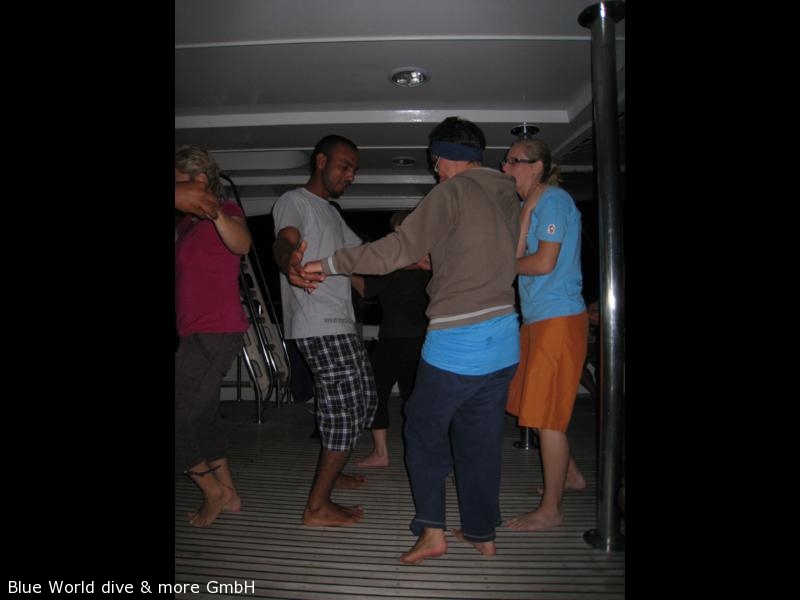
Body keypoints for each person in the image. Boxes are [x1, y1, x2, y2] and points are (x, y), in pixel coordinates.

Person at [303, 117, 520, 564]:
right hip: (504, 335)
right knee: (479, 437)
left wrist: (328, 263)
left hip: (459, 335)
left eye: (434, 162)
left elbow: (394, 251)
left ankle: (432, 531)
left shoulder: (450, 191)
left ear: (441, 157)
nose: (435, 171)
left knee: (422, 428)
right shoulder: (507, 194)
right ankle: (482, 532)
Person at [271, 134, 378, 527]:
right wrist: (289, 263)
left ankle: (335, 472)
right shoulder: (294, 201)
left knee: (364, 402)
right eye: (344, 166)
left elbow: (360, 258)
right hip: (318, 322)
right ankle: (316, 507)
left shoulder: (331, 213)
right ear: (320, 161)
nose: (351, 176)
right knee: (345, 411)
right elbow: (285, 240)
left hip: (340, 323)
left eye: (354, 170)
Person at [502, 138, 588, 532]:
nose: (505, 168)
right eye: (505, 161)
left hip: (558, 318)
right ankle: (571, 475)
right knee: (535, 408)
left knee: (547, 417)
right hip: (537, 319)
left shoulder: (554, 200)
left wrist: (503, 266)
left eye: (514, 161)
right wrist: (524, 213)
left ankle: (552, 510)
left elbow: (541, 263)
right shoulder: (533, 205)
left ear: (537, 167)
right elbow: (515, 256)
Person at [174, 146, 252, 527]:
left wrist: (215, 211)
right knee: (202, 415)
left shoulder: (226, 212)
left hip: (215, 330)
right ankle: (230, 493)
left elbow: (242, 244)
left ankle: (212, 491)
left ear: (199, 181)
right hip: (194, 331)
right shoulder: (184, 226)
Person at [350, 211, 432, 468]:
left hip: (396, 339)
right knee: (415, 397)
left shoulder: (393, 267)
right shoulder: (431, 264)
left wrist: (344, 269)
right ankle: (423, 452)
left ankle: (381, 453)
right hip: (423, 340)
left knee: (375, 393)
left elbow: (365, 289)